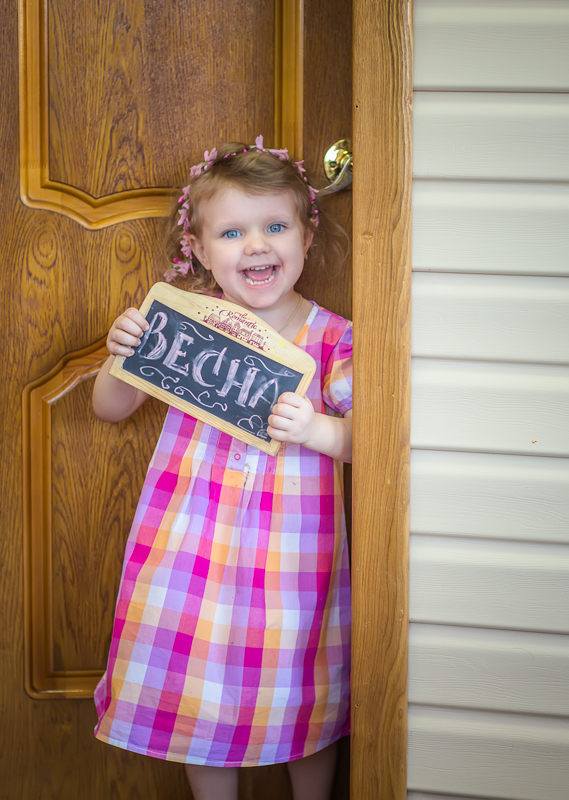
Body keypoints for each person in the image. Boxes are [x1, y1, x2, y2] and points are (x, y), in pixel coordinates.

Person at [92, 137, 352, 800]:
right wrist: (120, 355)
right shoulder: (186, 324)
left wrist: (318, 429)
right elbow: (110, 409)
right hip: (188, 548)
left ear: (305, 236)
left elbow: (370, 447)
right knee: (195, 696)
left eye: (275, 227)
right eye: (231, 233)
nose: (256, 246)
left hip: (292, 557)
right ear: (200, 250)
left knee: (302, 688)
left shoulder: (332, 338)